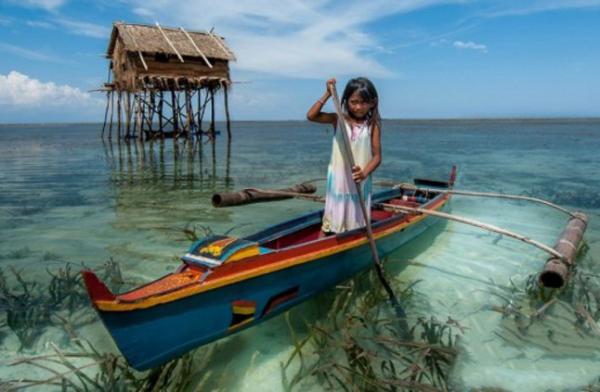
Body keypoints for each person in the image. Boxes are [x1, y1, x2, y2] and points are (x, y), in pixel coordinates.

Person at [306, 77, 382, 235]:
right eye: (353, 102)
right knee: (332, 217)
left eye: (363, 102)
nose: (358, 107)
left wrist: (364, 173)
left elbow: (377, 157)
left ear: (372, 103)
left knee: (356, 218)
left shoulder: (372, 126)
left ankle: (354, 236)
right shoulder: (338, 119)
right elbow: (311, 116)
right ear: (346, 101)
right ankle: (327, 237)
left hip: (359, 180)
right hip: (339, 179)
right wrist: (327, 94)